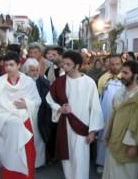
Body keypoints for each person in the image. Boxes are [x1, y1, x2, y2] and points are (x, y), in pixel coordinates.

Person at [46, 50, 103, 179]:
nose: (64, 67)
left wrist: (92, 131)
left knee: (80, 160)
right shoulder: (60, 82)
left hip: (82, 127)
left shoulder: (89, 82)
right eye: (63, 64)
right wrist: (60, 109)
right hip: (65, 126)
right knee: (67, 160)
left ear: (77, 66)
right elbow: (49, 99)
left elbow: (95, 107)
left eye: (68, 64)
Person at [0, 51, 41, 179]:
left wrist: (27, 104)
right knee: (10, 155)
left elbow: (37, 101)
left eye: (11, 65)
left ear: (18, 65)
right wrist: (9, 117)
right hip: (6, 125)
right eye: (6, 65)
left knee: (27, 154)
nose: (8, 68)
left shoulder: (28, 82)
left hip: (25, 123)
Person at [102, 61, 138, 179]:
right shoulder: (119, 93)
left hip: (129, 146)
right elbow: (112, 116)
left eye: (125, 73)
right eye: (121, 72)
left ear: (135, 76)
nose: (121, 75)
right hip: (114, 141)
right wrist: (107, 135)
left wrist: (133, 146)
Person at [96, 55, 123, 173]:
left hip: (121, 113)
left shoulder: (126, 77)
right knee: (103, 136)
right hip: (105, 112)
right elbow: (99, 96)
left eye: (117, 64)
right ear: (108, 65)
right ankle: (101, 163)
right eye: (112, 64)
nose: (115, 66)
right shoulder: (103, 78)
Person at [23, 58, 48, 168]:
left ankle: (38, 162)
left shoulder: (43, 81)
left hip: (40, 114)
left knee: (38, 139)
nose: (35, 73)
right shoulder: (22, 81)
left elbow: (46, 98)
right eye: (32, 70)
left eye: (36, 70)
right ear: (26, 71)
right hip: (25, 114)